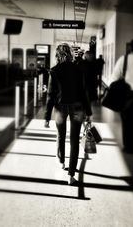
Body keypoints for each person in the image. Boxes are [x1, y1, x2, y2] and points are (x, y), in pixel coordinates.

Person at [44, 43, 92, 185]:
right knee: (74, 140)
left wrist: (47, 117)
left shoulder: (54, 70)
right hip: (77, 106)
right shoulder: (78, 70)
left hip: (60, 107)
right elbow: (84, 92)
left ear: (57, 55)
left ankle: (61, 161)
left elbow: (50, 95)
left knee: (61, 136)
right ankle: (71, 175)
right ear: (70, 54)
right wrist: (88, 112)